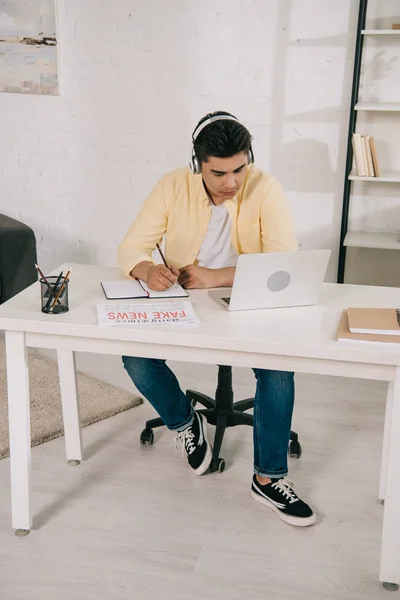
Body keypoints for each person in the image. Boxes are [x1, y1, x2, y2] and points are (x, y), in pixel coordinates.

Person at [117, 111, 316, 527]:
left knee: (279, 369)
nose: (231, 182)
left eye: (239, 169)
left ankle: (269, 478)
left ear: (249, 158)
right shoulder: (174, 185)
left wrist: (216, 276)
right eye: (219, 172)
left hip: (251, 299)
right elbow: (133, 245)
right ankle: (184, 421)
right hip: (185, 299)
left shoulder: (266, 188)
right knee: (135, 356)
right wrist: (145, 269)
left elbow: (284, 262)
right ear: (198, 164)